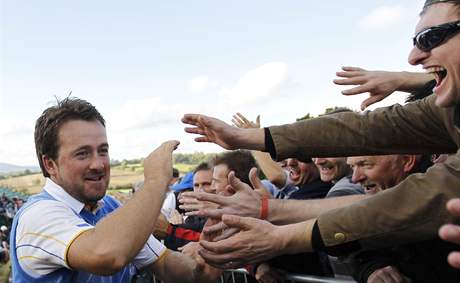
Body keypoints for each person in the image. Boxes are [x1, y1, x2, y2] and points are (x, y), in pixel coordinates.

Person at [179, 0, 460, 269]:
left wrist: (282, 237)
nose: (414, 57)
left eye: (431, 37)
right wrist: (249, 138)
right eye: (416, 42)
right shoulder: (448, 109)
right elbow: (363, 129)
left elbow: (420, 200)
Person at [11, 97, 218, 283]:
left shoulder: (110, 207)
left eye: (103, 151)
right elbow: (107, 255)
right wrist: (155, 180)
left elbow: (167, 265)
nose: (98, 164)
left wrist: (217, 252)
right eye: (82, 154)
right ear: (50, 164)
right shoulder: (38, 215)